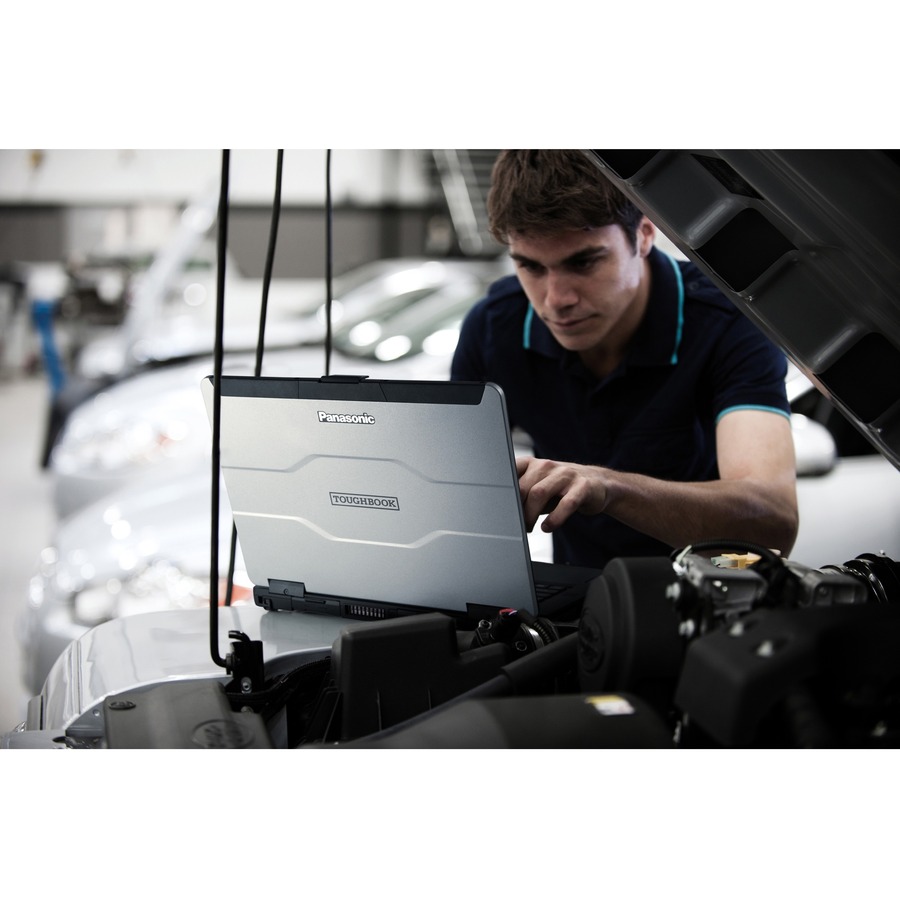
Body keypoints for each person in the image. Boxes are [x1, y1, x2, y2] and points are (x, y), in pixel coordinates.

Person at [451, 150, 799, 569]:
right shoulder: (493, 328)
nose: (556, 300)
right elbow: (451, 490)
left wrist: (607, 487)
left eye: (583, 262)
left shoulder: (730, 324)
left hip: (713, 593)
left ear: (645, 235)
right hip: (579, 597)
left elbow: (775, 524)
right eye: (531, 267)